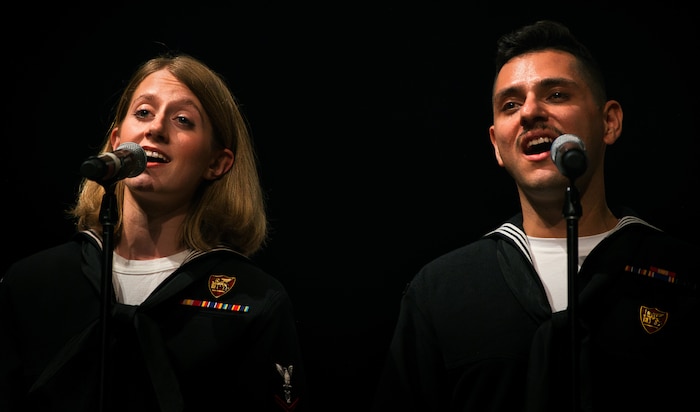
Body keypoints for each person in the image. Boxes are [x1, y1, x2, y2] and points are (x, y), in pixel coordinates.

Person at [372, 20, 699, 412]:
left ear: (609, 122)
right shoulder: (442, 290)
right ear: (497, 144)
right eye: (510, 104)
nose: (529, 112)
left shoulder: (684, 275)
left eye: (556, 94)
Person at [0, 52, 307, 411]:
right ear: (117, 141)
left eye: (182, 120)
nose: (156, 129)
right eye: (143, 112)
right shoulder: (32, 282)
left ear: (217, 162)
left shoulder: (255, 300)